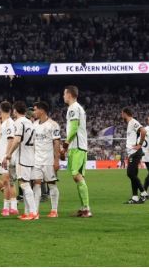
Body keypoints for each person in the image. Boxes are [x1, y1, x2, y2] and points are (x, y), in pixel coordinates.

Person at [62, 85, 91, 217]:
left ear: (69, 95)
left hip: (77, 146)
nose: (63, 96)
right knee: (79, 177)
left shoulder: (73, 108)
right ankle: (84, 207)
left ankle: (87, 208)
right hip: (80, 145)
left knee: (76, 176)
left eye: (64, 94)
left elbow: (74, 127)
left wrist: (66, 143)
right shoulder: (78, 108)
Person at [121, 108, 147, 204]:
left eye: (122, 114)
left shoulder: (133, 122)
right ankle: (135, 197)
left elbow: (143, 131)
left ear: (125, 114)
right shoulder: (129, 124)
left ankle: (143, 192)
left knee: (130, 174)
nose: (121, 116)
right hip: (132, 152)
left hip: (135, 152)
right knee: (133, 175)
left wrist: (139, 144)